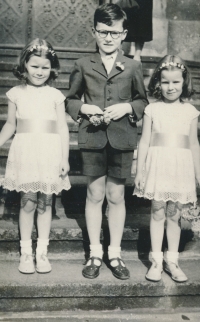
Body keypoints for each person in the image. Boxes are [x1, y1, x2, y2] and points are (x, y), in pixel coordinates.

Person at [66, 3, 148, 280]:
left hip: (122, 137)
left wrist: (126, 108)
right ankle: (94, 253)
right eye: (103, 32)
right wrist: (83, 109)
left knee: (116, 196)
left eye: (114, 32)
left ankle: (114, 253)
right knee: (94, 194)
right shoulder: (82, 64)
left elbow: (142, 100)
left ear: (124, 34)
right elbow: (71, 99)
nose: (108, 38)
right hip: (93, 136)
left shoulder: (134, 66)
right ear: (94, 32)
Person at [0, 38, 71, 274]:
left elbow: (62, 128)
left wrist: (64, 158)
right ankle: (26, 253)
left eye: (45, 67)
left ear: (52, 68)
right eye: (34, 66)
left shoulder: (55, 95)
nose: (39, 72)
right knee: (27, 201)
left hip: (49, 151)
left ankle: (42, 251)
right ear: (24, 66)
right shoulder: (15, 93)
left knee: (46, 202)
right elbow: (11, 124)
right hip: (26, 151)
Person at [134, 55, 200, 282]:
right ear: (157, 83)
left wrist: (198, 173)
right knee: (157, 212)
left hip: (180, 168)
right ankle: (156, 260)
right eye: (165, 82)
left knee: (175, 215)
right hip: (159, 165)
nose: (170, 87)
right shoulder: (153, 110)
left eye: (175, 82)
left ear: (184, 82)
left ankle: (172, 260)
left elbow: (193, 144)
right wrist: (140, 171)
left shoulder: (190, 112)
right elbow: (144, 141)